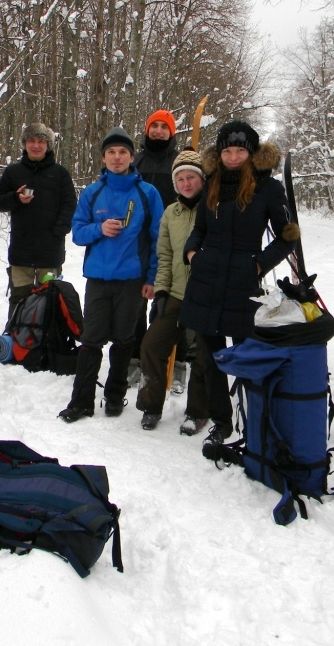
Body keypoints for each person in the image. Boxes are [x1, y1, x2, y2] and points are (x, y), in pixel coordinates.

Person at [180, 121, 299, 448]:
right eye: (227, 151)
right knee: (211, 358)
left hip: (243, 283)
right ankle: (222, 420)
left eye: (240, 151)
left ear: (251, 152)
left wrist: (259, 263)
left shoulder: (268, 188)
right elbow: (199, 228)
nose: (233, 157)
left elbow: (288, 237)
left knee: (247, 355)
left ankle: (253, 416)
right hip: (205, 280)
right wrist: (191, 252)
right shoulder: (211, 183)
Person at [58, 127, 164, 423]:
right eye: (111, 153)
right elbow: (78, 233)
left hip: (132, 280)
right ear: (103, 158)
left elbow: (158, 239)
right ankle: (81, 402)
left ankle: (115, 396)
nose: (117, 157)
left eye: (123, 152)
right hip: (98, 279)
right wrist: (99, 229)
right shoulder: (93, 193)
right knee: (91, 340)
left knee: (123, 340)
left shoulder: (147, 193)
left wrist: (152, 278)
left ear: (132, 157)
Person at [136, 149, 208, 433]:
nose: (186, 184)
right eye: (180, 179)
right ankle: (151, 406)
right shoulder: (171, 213)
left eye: (191, 177)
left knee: (203, 354)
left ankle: (198, 411)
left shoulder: (213, 210)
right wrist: (162, 293)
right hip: (176, 294)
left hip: (205, 297)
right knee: (152, 345)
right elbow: (164, 256)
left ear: (201, 179)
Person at [0, 122, 77, 321]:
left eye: (41, 141)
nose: (36, 145)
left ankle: (47, 342)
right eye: (31, 141)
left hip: (50, 250)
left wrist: (58, 232)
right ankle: (14, 339)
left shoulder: (60, 174)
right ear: (24, 144)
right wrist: (15, 198)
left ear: (48, 145)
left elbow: (70, 205)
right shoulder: (13, 172)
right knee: (20, 298)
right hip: (21, 250)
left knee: (50, 298)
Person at [129, 110, 181, 372]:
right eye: (154, 126)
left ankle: (163, 357)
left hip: (170, 242)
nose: (158, 131)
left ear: (171, 132)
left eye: (164, 126)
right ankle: (135, 355)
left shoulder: (178, 163)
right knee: (136, 301)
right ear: (147, 129)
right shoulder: (135, 162)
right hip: (137, 243)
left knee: (164, 302)